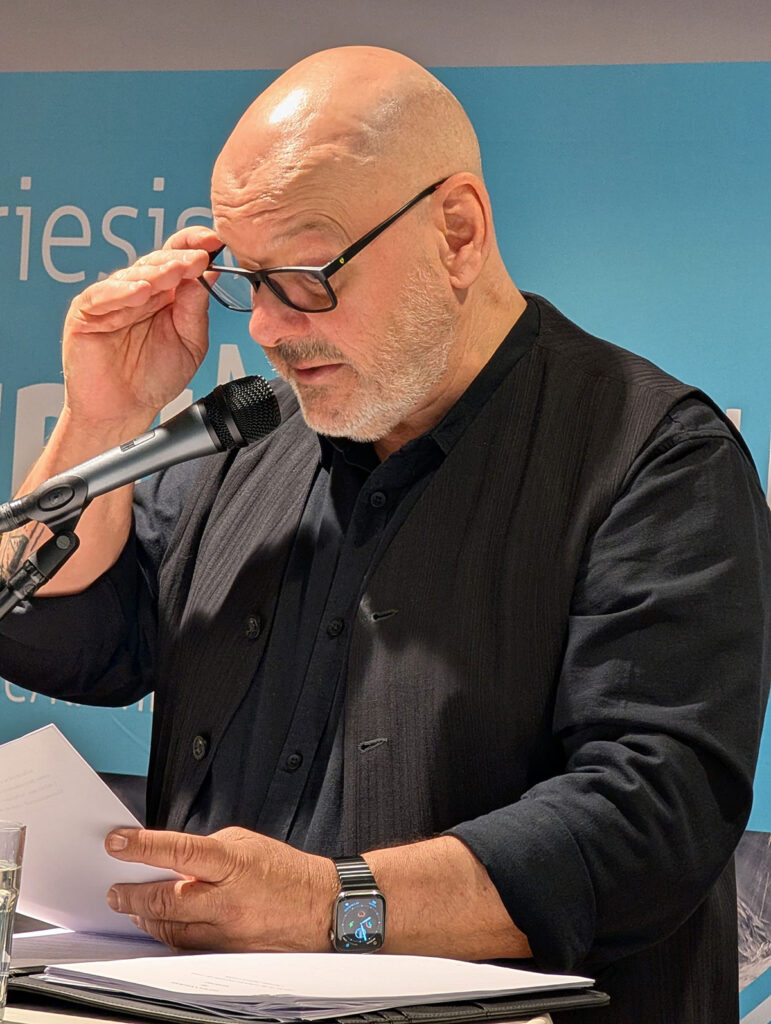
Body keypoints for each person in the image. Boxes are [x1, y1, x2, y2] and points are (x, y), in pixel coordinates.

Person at [0, 45, 769, 1023]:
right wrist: (100, 419)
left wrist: (332, 906)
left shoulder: (654, 458)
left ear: (457, 231)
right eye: (248, 280)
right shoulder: (247, 440)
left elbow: (646, 819)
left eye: (304, 276)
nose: (266, 328)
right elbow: (68, 638)